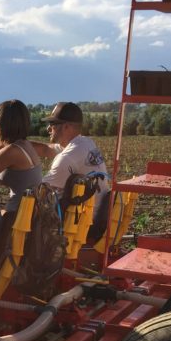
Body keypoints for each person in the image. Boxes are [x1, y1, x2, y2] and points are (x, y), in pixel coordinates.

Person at [31, 101, 111, 242]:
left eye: (53, 124)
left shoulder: (66, 159)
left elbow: (37, 192)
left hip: (82, 226)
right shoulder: (85, 143)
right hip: (98, 217)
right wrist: (19, 145)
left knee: (25, 213)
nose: (48, 128)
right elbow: (46, 149)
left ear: (66, 127)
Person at [0, 99, 42, 213]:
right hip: (29, 215)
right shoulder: (26, 145)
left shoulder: (11, 151)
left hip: (15, 218)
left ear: (6, 125)